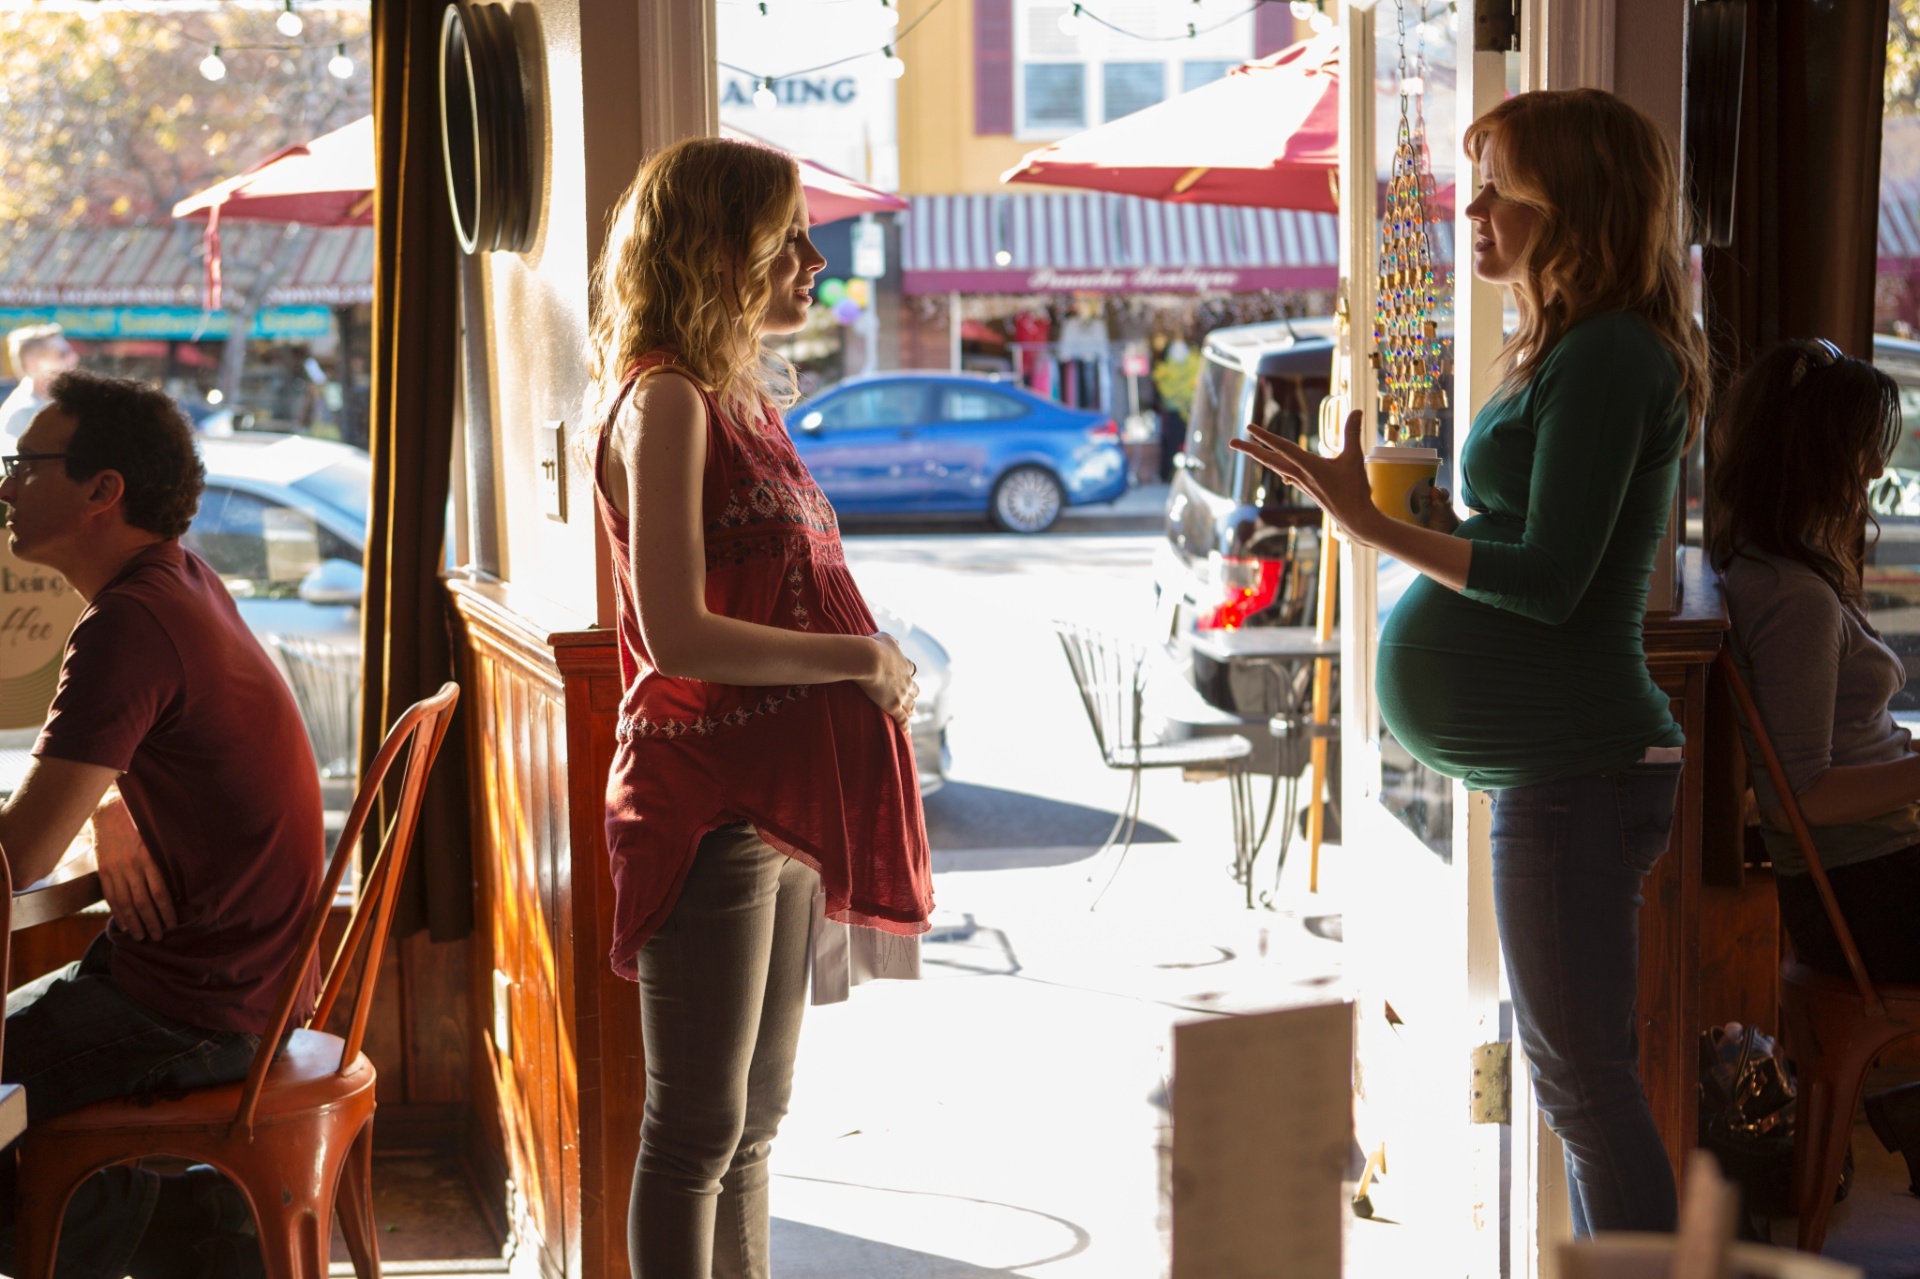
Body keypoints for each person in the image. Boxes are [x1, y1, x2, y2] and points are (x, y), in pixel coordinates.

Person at [1232, 88, 1709, 1235]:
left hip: (1576, 769)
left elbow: (1551, 581)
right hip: (1562, 769)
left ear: (1575, 202)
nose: (1473, 208)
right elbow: (1536, 537)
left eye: (1500, 187)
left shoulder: (1608, 353)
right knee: (1577, 1084)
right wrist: (1432, 519)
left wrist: (1373, 527)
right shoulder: (1577, 346)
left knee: (1585, 1087)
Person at [583, 137, 933, 1277]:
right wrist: (859, 661)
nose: (815, 263)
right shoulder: (666, 399)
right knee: (694, 1131)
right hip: (706, 801)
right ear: (717, 251)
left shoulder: (737, 401)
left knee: (753, 1124)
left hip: (774, 801)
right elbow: (677, 633)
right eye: (789, 239)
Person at [0, 371, 323, 1277]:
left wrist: (88, 804)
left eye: (27, 464)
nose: (7, 487)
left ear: (102, 490)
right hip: (242, 983)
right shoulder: (180, 581)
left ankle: (106, 1237)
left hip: (201, 1007)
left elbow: (20, 854)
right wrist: (112, 805)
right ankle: (164, 1233)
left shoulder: (129, 622)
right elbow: (124, 767)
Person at [1708, 338, 1920, 1194]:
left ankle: (1912, 1106)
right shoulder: (1793, 597)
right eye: (1862, 447)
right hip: (1870, 896)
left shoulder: (1777, 571)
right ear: (1815, 453)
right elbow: (1807, 792)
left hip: (1871, 877)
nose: (1874, 469)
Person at [0, 325, 79, 454]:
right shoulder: (23, 413)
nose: (74, 359)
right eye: (62, 354)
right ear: (33, 364)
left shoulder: (50, 403)